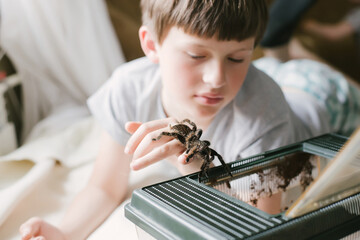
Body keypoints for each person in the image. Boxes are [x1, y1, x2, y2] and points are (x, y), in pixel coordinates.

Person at [19, 0, 321, 239]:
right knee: (280, 65)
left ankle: (291, 54)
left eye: (237, 58)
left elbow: (261, 218)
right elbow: (105, 187)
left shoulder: (265, 112)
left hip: (317, 99)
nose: (216, 78)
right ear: (151, 45)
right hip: (274, 81)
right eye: (196, 55)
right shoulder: (128, 88)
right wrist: (66, 233)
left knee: (313, 79)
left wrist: (200, 167)